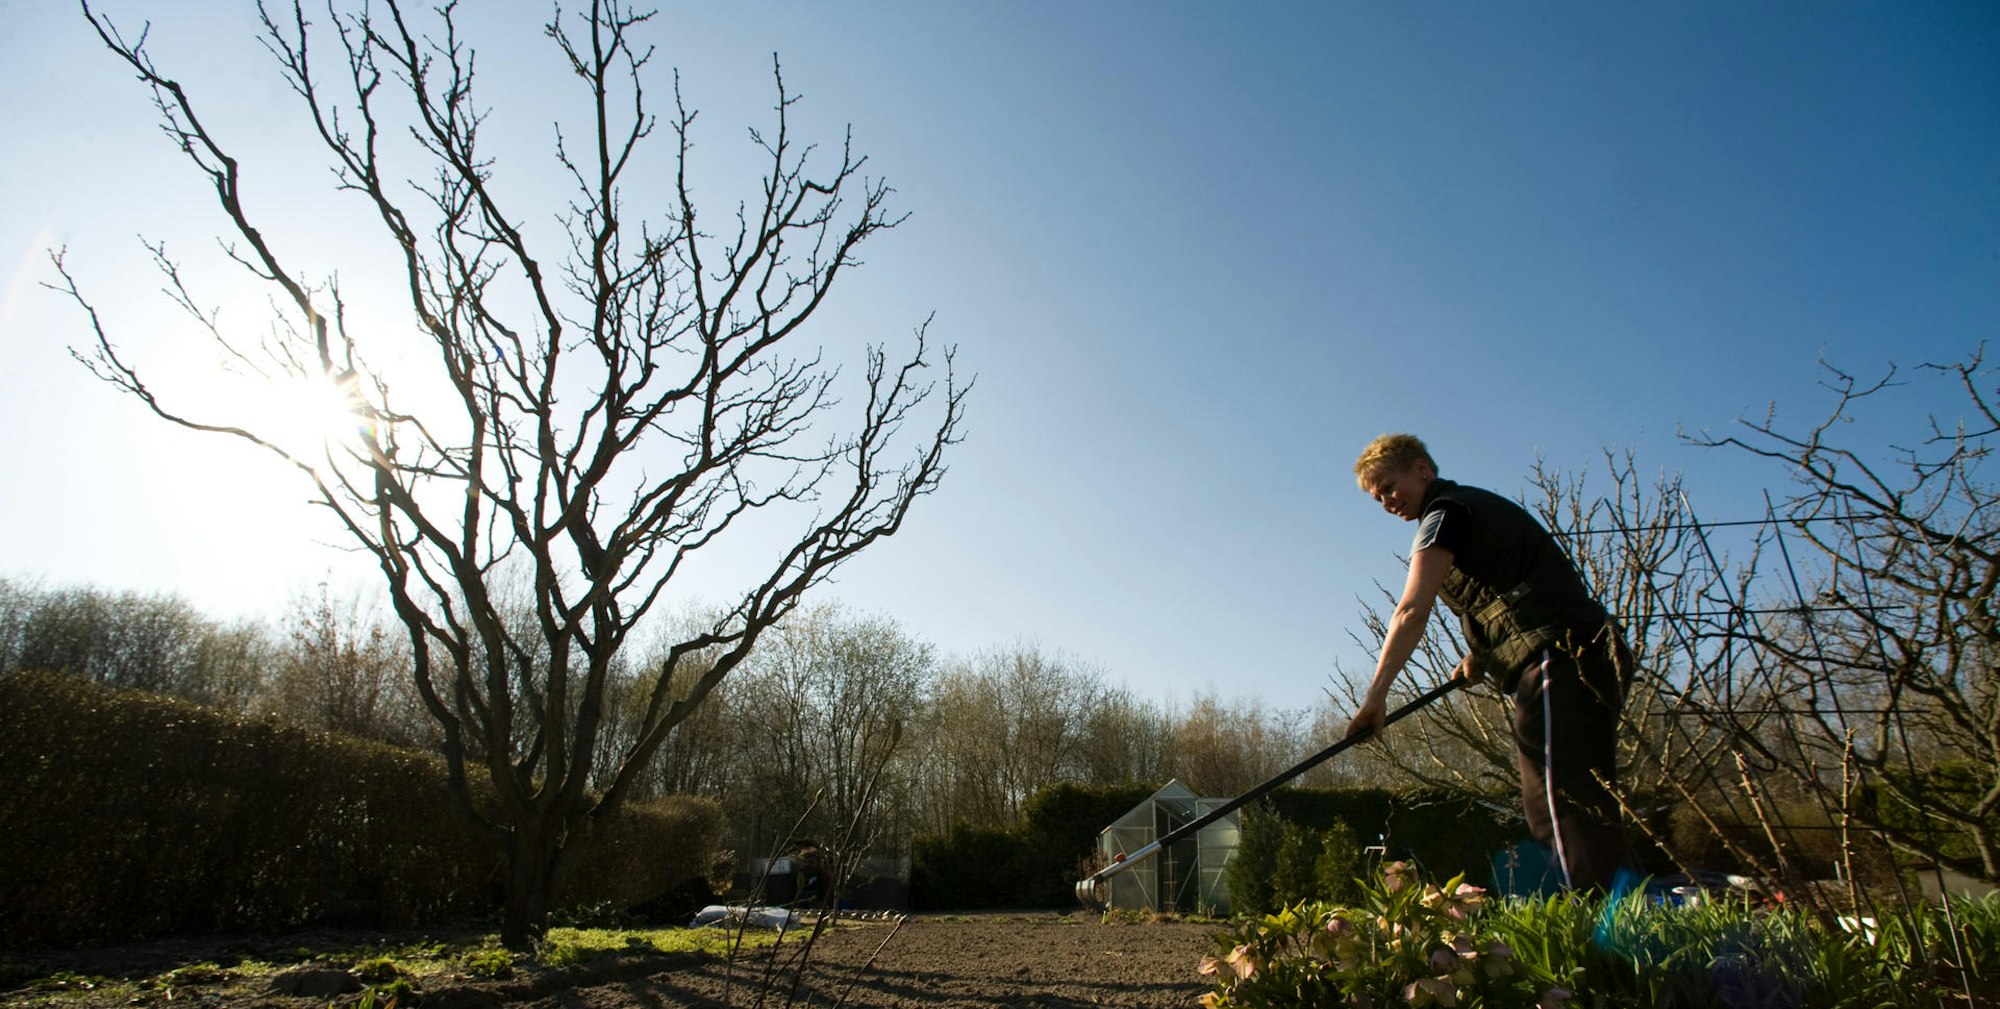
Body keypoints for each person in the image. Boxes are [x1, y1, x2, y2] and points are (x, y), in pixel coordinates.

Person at [1346, 433, 1636, 892]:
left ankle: (1595, 928)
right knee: (1586, 798)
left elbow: (1410, 611)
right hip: (1585, 649)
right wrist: (1480, 653)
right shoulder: (1472, 508)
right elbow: (1514, 590)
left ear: (1422, 469)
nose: (1386, 501)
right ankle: (1622, 922)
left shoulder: (1445, 514)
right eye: (1377, 496)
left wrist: (1375, 698)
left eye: (1389, 486)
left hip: (1555, 657)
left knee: (1551, 802)